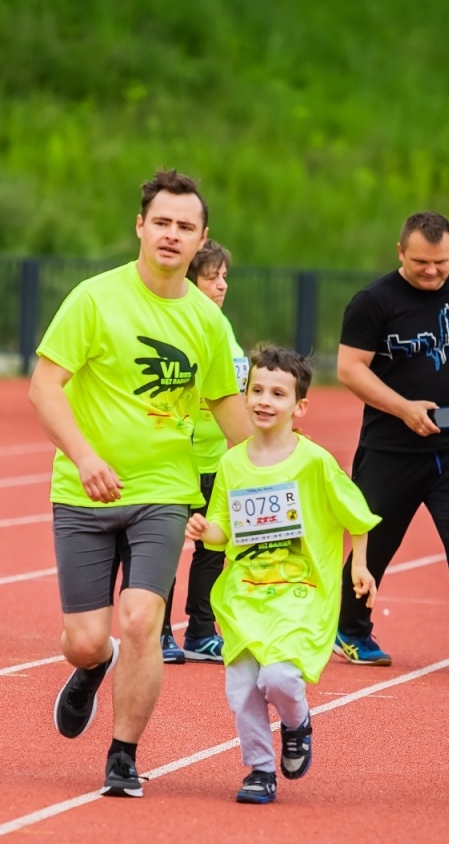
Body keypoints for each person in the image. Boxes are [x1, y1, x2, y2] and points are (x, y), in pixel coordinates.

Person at [29, 168, 250, 797]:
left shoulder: (208, 324)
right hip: (84, 490)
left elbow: (230, 417)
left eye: (186, 227)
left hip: (164, 489)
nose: (172, 235)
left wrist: (292, 461)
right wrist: (85, 456)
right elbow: (44, 387)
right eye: (162, 223)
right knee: (86, 640)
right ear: (140, 226)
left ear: (202, 236)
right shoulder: (94, 299)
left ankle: (123, 754)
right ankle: (90, 670)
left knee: (141, 620)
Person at [187, 347, 379, 803]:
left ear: (300, 406)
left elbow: (356, 515)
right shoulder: (232, 464)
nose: (264, 401)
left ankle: (297, 723)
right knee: (242, 691)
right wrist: (204, 528)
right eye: (256, 390)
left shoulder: (314, 462)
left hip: (300, 595)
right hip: (244, 598)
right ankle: (259, 769)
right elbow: (222, 531)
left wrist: (361, 564)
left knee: (278, 679)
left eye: (278, 393)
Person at [332, 211, 449, 678]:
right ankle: (350, 630)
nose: (432, 272)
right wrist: (404, 408)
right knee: (377, 545)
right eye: (421, 262)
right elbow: (350, 369)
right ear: (400, 252)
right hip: (390, 451)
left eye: (441, 263)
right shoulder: (373, 302)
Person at [161, 239, 248, 665]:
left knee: (214, 547)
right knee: (163, 548)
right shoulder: (181, 325)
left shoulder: (222, 327)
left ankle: (200, 629)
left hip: (217, 460)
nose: (221, 285)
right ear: (190, 280)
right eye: (211, 277)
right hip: (178, 460)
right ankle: (157, 632)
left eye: (224, 277)